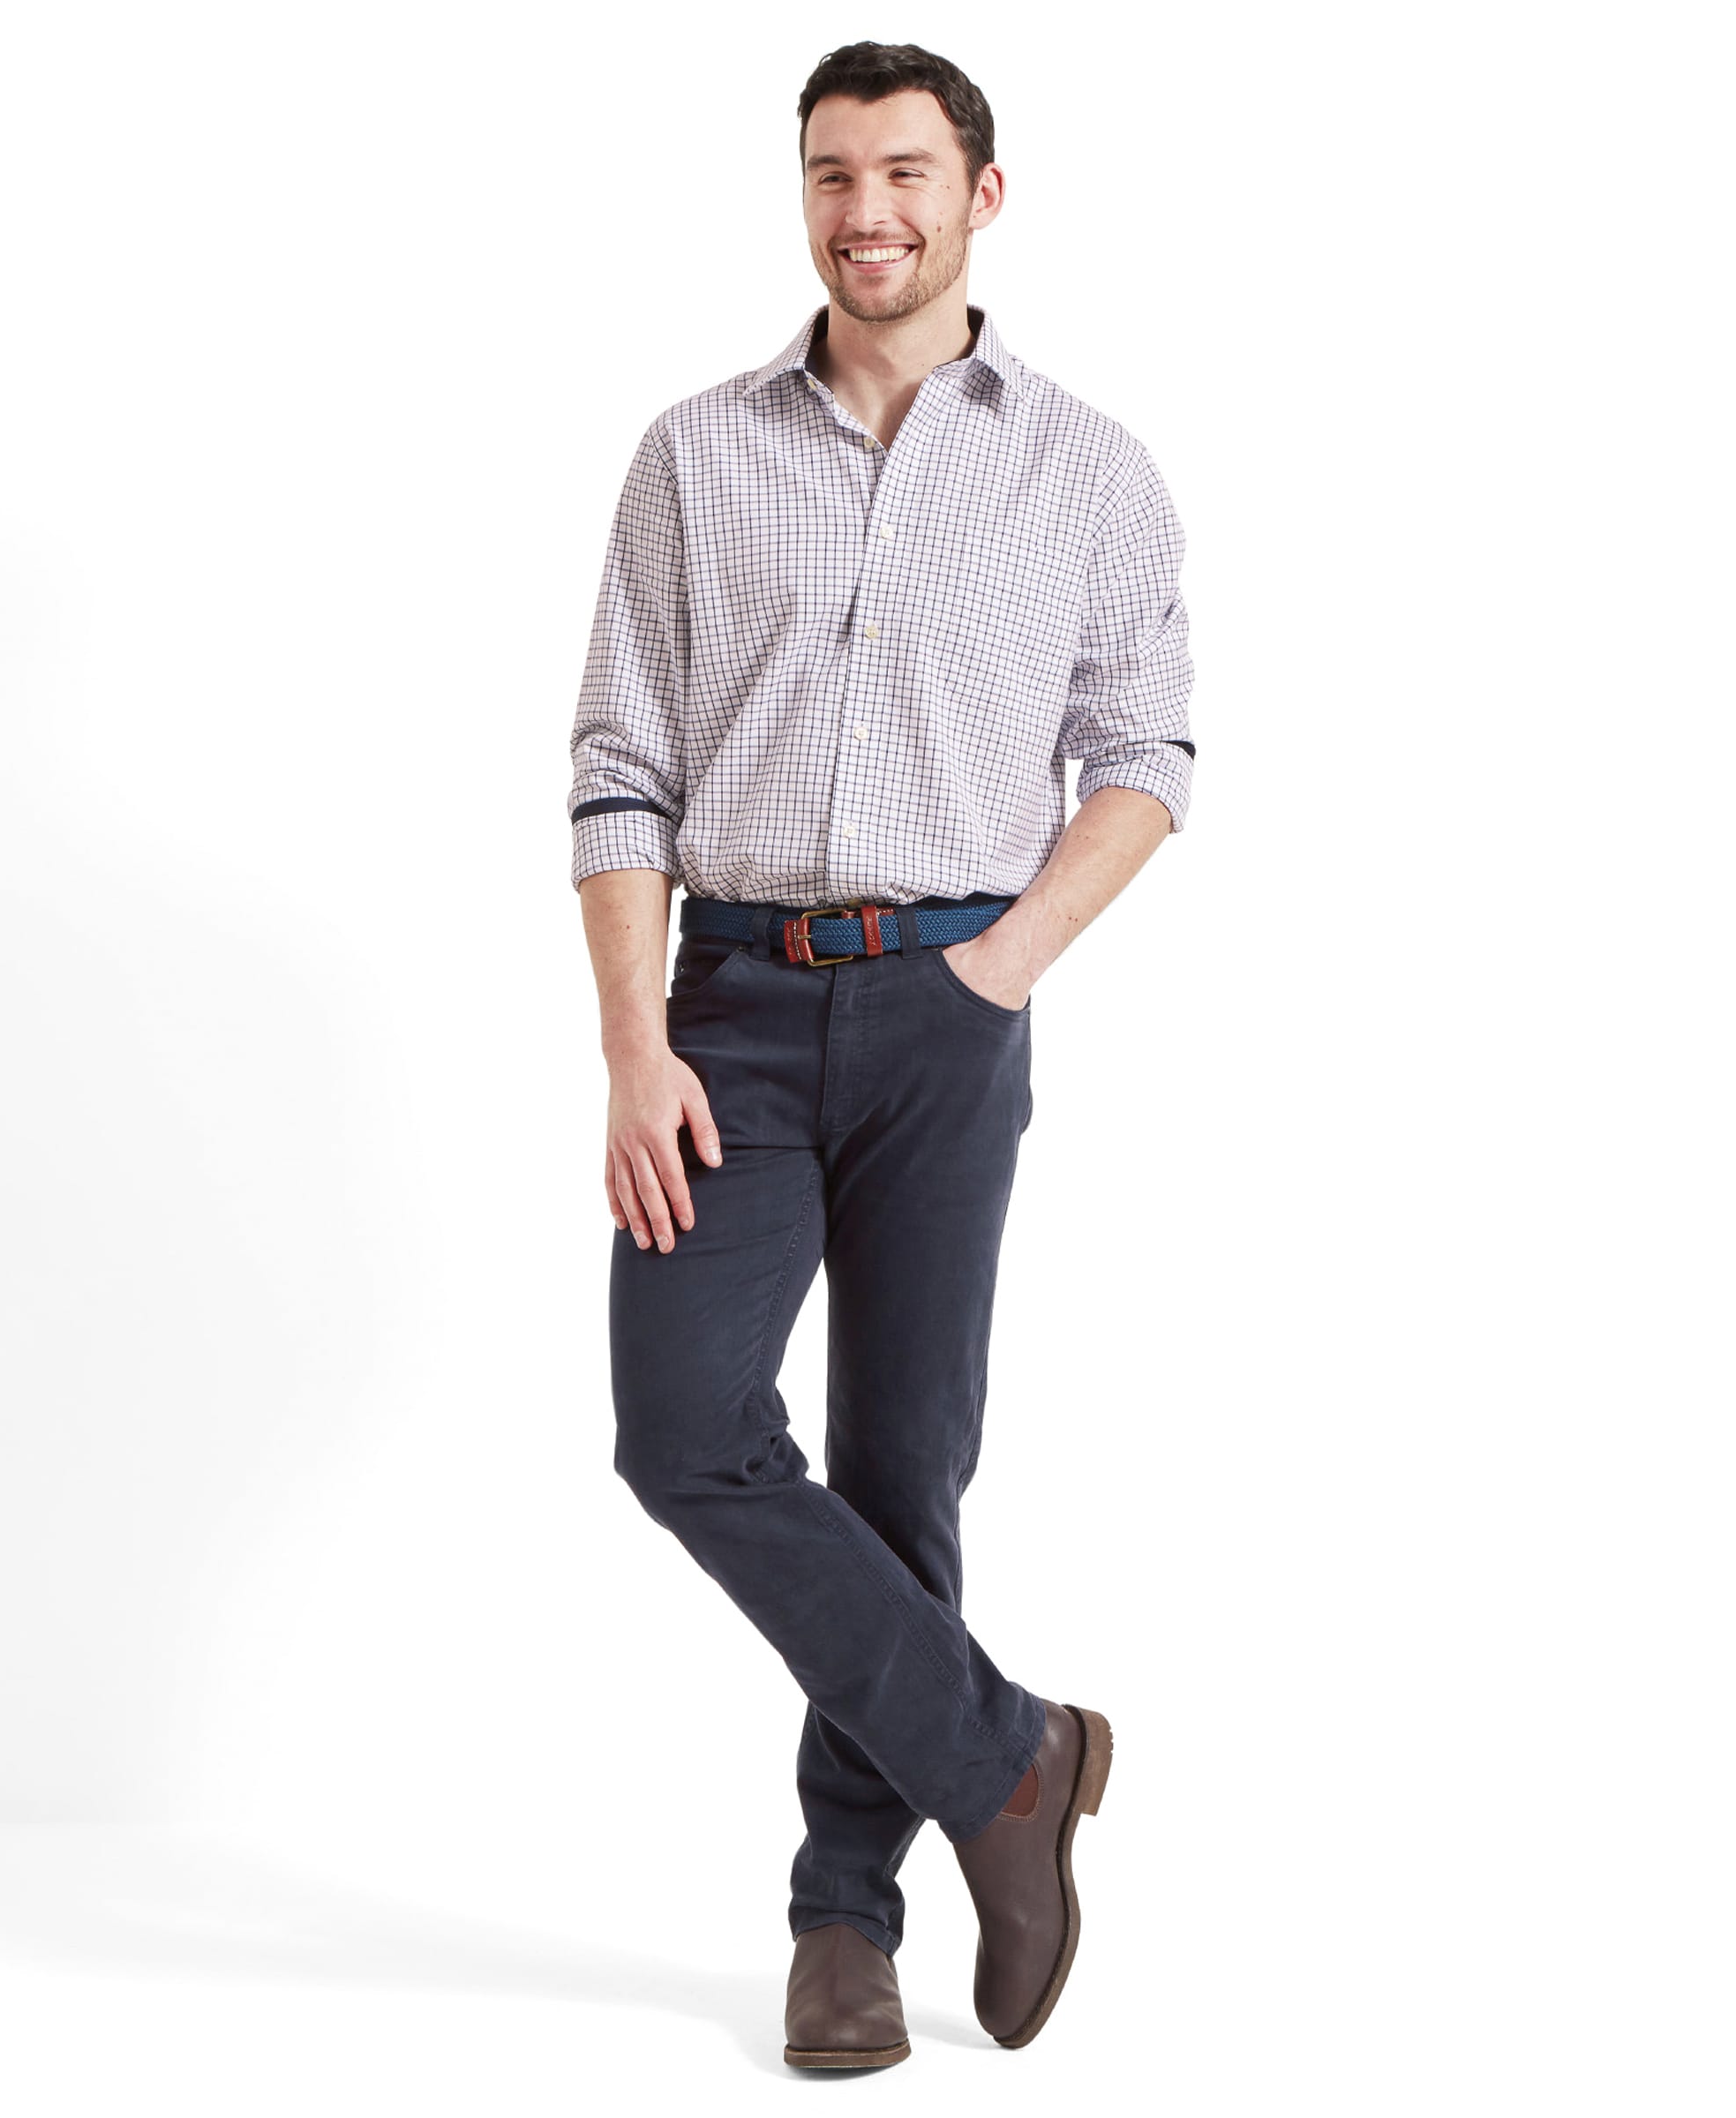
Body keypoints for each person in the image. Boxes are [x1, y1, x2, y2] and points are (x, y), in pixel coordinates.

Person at [568, 40, 1195, 2068]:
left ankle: (844, 1926)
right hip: (727, 1014)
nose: (868, 211)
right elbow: (619, 770)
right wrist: (632, 1042)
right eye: (833, 174)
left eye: (908, 173)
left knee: (904, 1468)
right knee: (685, 1429)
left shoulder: (1086, 468)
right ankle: (1012, 1759)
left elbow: (1151, 756)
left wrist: (1002, 968)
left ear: (983, 197)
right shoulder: (693, 453)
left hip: (950, 1008)